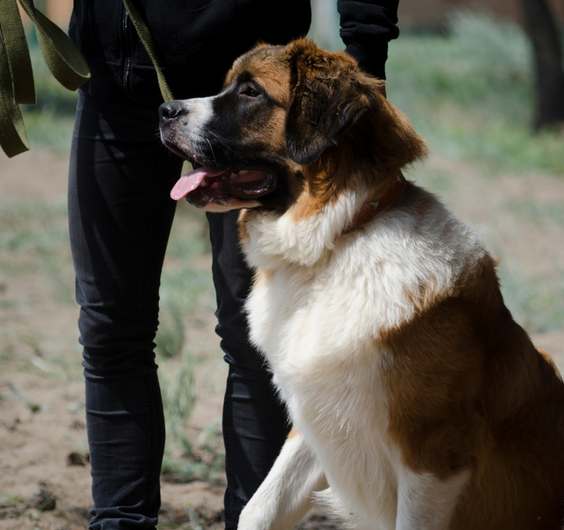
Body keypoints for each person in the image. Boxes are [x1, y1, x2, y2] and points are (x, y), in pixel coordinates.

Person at [66, 1, 400, 528]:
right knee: (108, 328)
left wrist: (363, 60)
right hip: (114, 89)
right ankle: (118, 521)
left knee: (253, 343)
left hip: (255, 108)